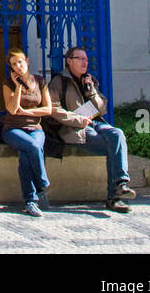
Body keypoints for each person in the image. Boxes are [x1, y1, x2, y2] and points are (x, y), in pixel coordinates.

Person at [48, 47, 136, 213]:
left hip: (96, 123)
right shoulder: (59, 81)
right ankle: (114, 196)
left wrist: (91, 91)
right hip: (76, 128)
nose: (85, 63)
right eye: (80, 58)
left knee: (117, 134)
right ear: (69, 61)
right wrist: (77, 120)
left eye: (86, 60)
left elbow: (102, 109)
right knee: (113, 147)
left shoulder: (90, 81)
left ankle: (121, 183)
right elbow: (53, 109)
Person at [1, 48, 54, 217]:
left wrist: (28, 113)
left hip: (35, 128)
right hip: (13, 129)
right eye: (14, 64)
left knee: (27, 153)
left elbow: (48, 109)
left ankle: (31, 201)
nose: (18, 66)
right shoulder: (8, 82)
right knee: (32, 146)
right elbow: (12, 109)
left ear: (27, 61)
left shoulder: (39, 81)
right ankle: (42, 183)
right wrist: (17, 87)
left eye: (20, 62)